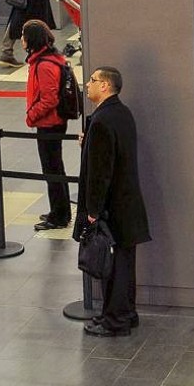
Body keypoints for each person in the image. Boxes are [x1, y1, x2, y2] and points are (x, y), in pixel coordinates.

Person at [74, 67, 150, 337]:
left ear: (105, 85)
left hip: (112, 208)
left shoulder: (103, 121)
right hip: (128, 204)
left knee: (114, 267)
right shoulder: (121, 113)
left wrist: (93, 210)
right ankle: (126, 313)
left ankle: (114, 320)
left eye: (93, 80)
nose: (88, 84)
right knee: (125, 265)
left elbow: (101, 172)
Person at [23, 20, 71, 230]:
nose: (22, 40)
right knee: (54, 168)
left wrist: (31, 116)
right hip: (52, 122)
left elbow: (49, 99)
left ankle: (59, 215)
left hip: (50, 123)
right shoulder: (47, 59)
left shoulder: (44, 65)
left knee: (52, 169)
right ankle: (59, 210)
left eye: (24, 36)